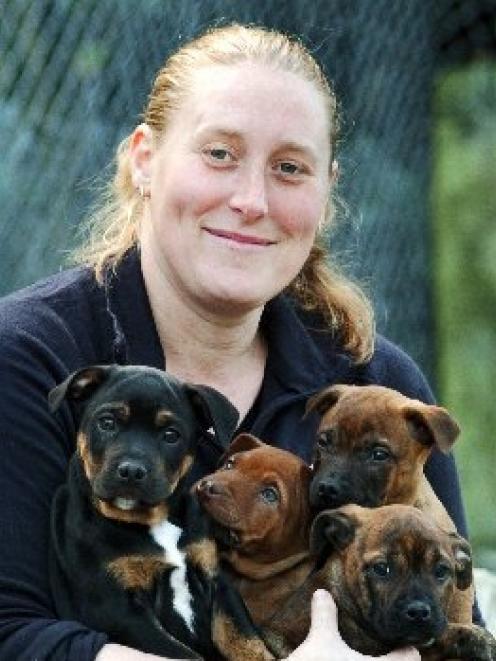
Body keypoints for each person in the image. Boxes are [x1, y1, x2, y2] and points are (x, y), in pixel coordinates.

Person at [0, 22, 474, 661]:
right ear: (144, 160)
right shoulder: (31, 356)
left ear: (327, 189)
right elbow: (10, 629)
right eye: (219, 153)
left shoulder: (375, 389)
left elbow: (451, 617)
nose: (251, 200)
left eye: (289, 167)